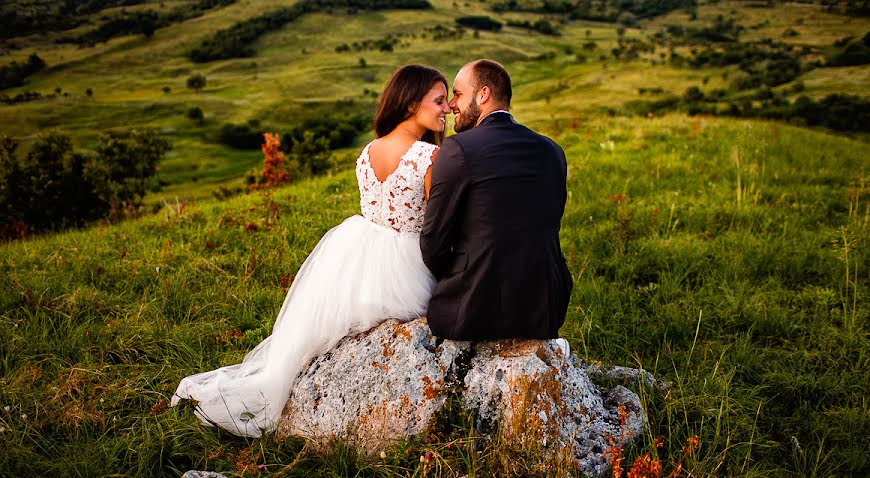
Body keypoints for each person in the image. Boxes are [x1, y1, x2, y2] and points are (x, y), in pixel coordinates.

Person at [171, 65, 451, 437]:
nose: (446, 108)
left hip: (360, 249)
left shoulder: (369, 152)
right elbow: (436, 224)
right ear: (411, 103)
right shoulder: (428, 158)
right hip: (404, 259)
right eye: (438, 100)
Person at [420, 59, 572, 344]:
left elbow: (433, 242)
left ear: (483, 95)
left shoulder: (458, 148)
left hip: (474, 309)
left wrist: (456, 274)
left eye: (458, 94)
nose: (452, 104)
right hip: (544, 307)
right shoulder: (552, 150)